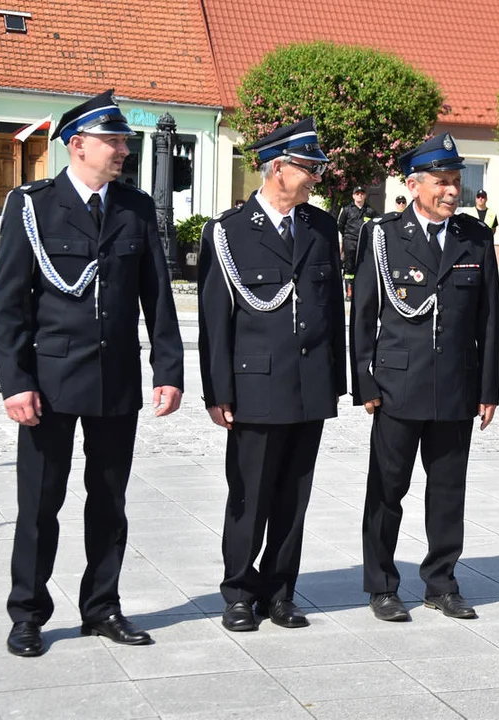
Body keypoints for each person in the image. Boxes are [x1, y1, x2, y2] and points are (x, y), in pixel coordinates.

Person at [0, 90, 184, 657]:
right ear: (78, 146)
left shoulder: (137, 208)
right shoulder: (33, 206)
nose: (124, 149)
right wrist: (16, 382)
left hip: (115, 381)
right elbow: (9, 305)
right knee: (40, 503)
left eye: (125, 141)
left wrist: (167, 369)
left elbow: (159, 299)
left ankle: (101, 607)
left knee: (109, 502)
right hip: (48, 384)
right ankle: (27, 613)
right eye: (114, 140)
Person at [198, 118, 346, 632]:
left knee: (293, 496)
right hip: (255, 385)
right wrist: (217, 390)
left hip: (309, 386)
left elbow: (332, 314)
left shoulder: (321, 228)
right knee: (250, 496)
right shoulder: (229, 231)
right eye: (309, 168)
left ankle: (281, 591)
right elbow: (215, 320)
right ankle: (239, 591)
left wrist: (337, 381)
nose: (316, 178)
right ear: (277, 168)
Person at [350, 133, 499, 622]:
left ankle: (442, 582)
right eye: (442, 182)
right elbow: (363, 315)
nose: (452, 192)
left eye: (456, 182)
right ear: (414, 185)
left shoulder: (473, 237)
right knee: (387, 490)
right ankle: (382, 585)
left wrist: (487, 389)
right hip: (397, 386)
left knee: (448, 491)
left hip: (455, 388)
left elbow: (487, 321)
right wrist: (365, 382)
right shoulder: (384, 235)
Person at [338, 186, 376, 298]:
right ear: (353, 195)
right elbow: (341, 225)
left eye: (362, 193)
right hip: (350, 242)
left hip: (364, 242)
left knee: (363, 266)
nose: (359, 195)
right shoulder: (347, 209)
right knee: (349, 267)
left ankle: (361, 290)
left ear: (365, 195)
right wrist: (348, 237)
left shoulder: (370, 211)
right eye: (357, 193)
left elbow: (376, 224)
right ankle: (349, 291)